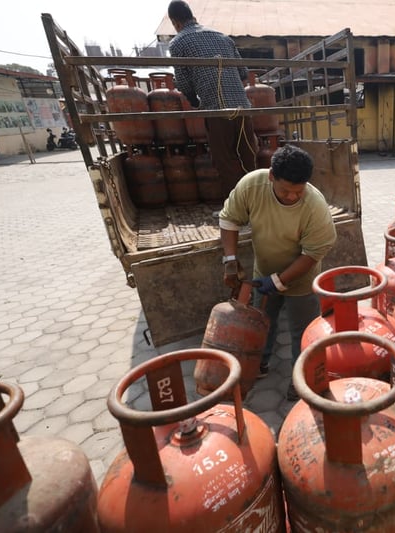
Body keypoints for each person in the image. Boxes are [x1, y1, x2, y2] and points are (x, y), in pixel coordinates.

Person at [219, 144, 336, 401]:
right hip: (264, 270)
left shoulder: (315, 206)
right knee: (262, 322)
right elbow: (229, 219)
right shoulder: (251, 186)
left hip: (302, 278)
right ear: (271, 175)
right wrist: (230, 259)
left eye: (298, 191)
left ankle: (301, 380)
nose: (293, 196)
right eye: (285, 190)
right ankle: (258, 365)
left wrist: (278, 281)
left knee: (302, 331)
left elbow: (312, 254)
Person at [167, 0, 257, 198]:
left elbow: (183, 82)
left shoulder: (178, 42)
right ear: (193, 16)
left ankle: (235, 210)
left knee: (224, 160)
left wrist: (195, 102)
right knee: (249, 156)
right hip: (243, 108)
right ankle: (258, 203)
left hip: (216, 110)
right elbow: (243, 73)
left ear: (175, 22)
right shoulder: (223, 38)